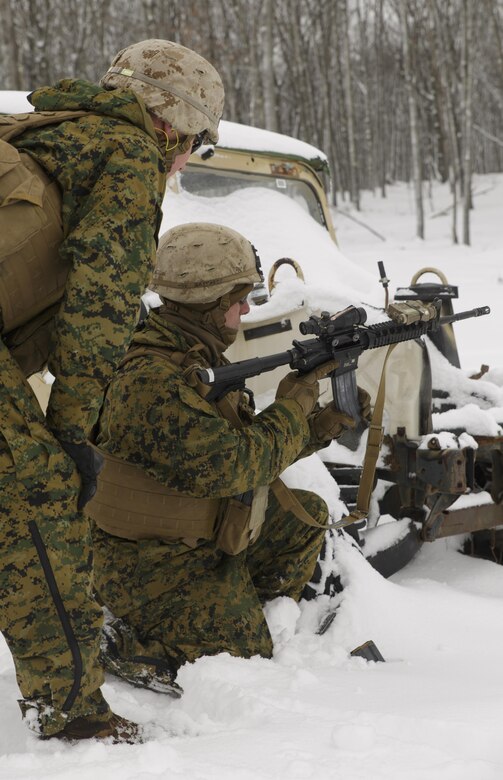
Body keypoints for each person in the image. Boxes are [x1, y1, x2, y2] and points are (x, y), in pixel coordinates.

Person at [0, 41, 224, 741]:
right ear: (170, 122)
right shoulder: (128, 157)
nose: (186, 159)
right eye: (195, 143)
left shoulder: (41, 132)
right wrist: (71, 438)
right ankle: (72, 714)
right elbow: (99, 311)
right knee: (39, 497)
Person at [87, 222, 370, 684]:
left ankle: (231, 608)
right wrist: (292, 407)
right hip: (148, 561)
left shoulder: (195, 354)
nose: (245, 310)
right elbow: (237, 466)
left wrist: (316, 427)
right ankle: (124, 639)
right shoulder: (151, 379)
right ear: (209, 306)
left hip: (204, 529)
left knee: (305, 518)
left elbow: (241, 448)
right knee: (242, 664)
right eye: (238, 301)